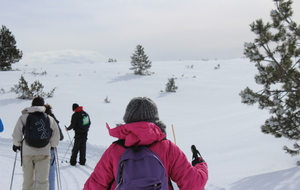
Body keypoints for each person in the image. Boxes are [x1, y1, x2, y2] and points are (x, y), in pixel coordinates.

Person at [83, 97, 208, 190]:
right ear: (155, 120)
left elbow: (94, 185)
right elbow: (193, 185)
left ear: (127, 120)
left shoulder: (115, 149)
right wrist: (201, 165)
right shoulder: (168, 148)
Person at [12, 96, 60, 190]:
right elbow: (56, 137)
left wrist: (16, 144)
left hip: (27, 152)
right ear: (43, 106)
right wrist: (52, 145)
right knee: (42, 181)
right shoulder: (49, 119)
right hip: (44, 152)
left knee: (27, 181)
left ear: (32, 105)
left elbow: (16, 134)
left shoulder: (24, 117)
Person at [44, 103, 64, 190]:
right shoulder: (53, 119)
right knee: (51, 174)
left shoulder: (37, 119)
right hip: (51, 149)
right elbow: (61, 137)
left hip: (38, 150)